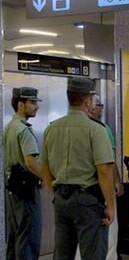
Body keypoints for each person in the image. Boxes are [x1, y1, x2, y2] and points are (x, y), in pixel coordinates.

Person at [40, 77, 115, 260]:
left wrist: (56, 191)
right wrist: (110, 205)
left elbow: (44, 167)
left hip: (61, 200)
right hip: (88, 200)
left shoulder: (51, 129)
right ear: (87, 100)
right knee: (93, 253)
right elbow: (104, 171)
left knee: (62, 254)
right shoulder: (95, 130)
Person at [74, 95, 124, 260]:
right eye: (99, 105)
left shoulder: (73, 128)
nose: (102, 108)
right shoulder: (101, 129)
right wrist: (116, 182)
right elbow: (108, 162)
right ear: (90, 106)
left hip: (75, 190)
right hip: (99, 186)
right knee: (108, 226)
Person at [4, 87, 43, 260]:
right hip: (26, 188)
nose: (36, 107)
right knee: (29, 236)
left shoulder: (10, 127)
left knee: (16, 234)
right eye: (33, 103)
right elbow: (30, 162)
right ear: (21, 104)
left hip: (13, 186)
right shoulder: (23, 130)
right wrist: (46, 177)